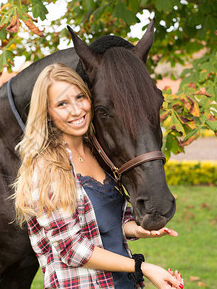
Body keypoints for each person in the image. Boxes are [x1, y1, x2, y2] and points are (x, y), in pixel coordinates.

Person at [13, 63, 184, 289]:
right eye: (62, 104)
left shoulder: (100, 155)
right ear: (47, 113)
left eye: (80, 97)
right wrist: (144, 268)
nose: (76, 110)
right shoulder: (47, 168)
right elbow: (71, 249)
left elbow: (109, 221)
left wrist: (137, 229)